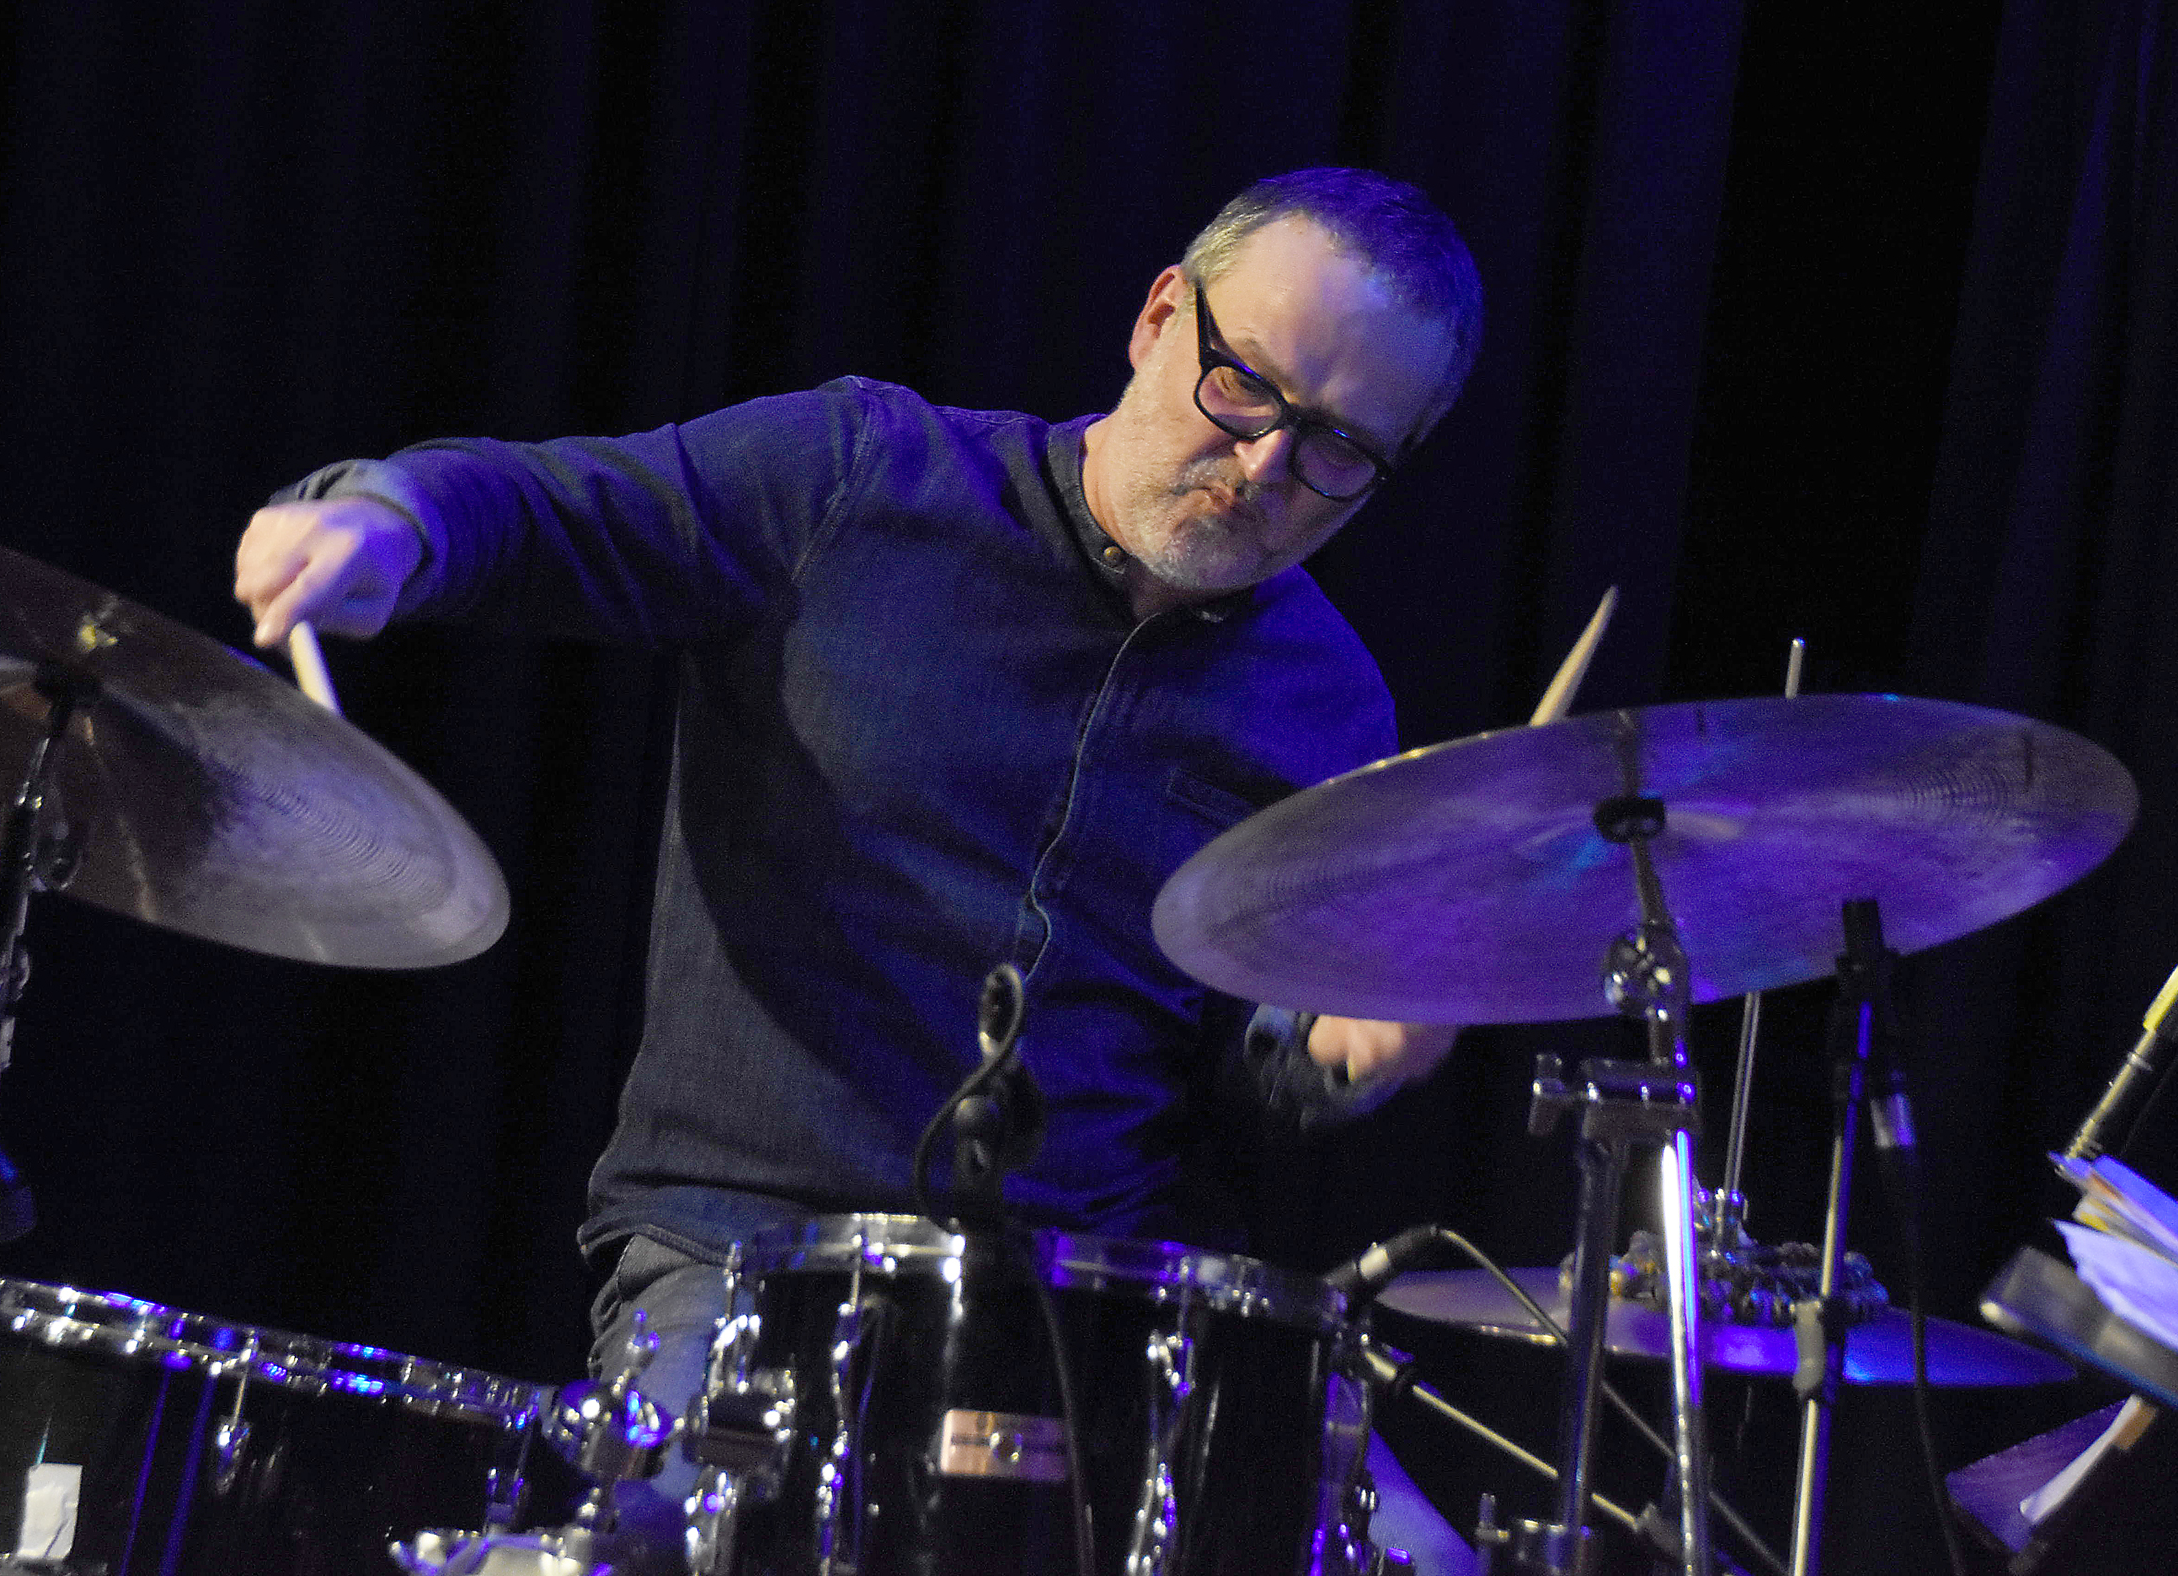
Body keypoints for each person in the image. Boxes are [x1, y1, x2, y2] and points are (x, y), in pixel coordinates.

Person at [236, 167, 1482, 1573]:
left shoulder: (1328, 703)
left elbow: (1249, 1061)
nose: (1262, 468)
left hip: (1101, 1308)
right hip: (743, 1263)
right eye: (1244, 388)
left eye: (1336, 451)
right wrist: (385, 518)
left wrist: (1336, 1053)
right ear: (1156, 320)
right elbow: (548, 508)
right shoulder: (859, 479)